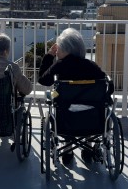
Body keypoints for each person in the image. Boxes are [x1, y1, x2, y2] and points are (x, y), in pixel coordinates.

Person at [38, 28, 112, 163]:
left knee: (65, 105)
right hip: (93, 120)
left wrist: (49, 56)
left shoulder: (60, 65)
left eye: (59, 48)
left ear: (66, 50)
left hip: (67, 121)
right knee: (89, 106)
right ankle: (88, 147)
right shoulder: (92, 66)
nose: (57, 51)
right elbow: (105, 83)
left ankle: (68, 150)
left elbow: (43, 80)